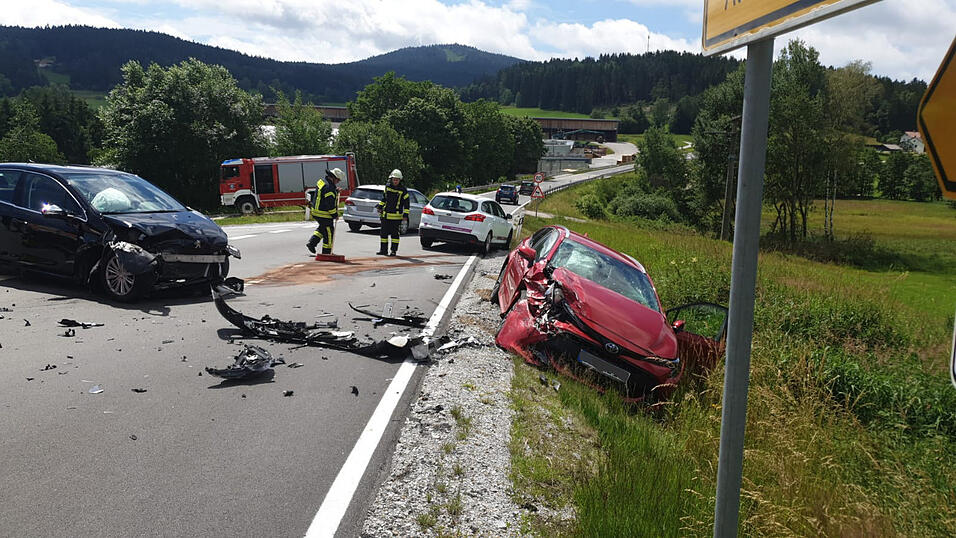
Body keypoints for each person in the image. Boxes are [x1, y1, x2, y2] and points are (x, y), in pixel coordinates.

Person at [306, 168, 344, 255]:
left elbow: (324, 193)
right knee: (329, 233)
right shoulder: (329, 188)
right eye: (338, 180)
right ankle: (326, 253)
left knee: (323, 228)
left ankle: (312, 243)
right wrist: (335, 215)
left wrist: (336, 190)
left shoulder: (322, 181)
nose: (338, 182)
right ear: (333, 177)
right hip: (324, 214)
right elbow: (330, 205)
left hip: (316, 211)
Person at [377, 169, 409, 256]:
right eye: (394, 179)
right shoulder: (387, 187)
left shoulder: (403, 190)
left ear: (400, 180)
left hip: (396, 217)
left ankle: (393, 251)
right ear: (391, 179)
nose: (395, 181)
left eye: (397, 180)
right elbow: (384, 198)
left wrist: (405, 215)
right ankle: (383, 250)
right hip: (386, 215)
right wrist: (380, 206)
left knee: (395, 236)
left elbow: (407, 204)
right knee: (383, 234)